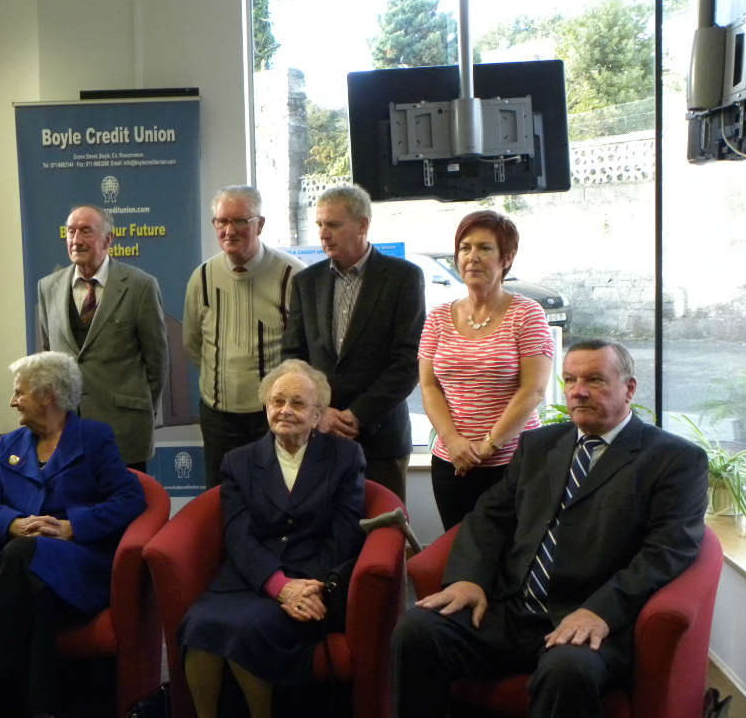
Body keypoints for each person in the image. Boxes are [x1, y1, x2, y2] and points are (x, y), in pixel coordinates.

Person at [392, 340, 708, 718]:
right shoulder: (539, 444)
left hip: (589, 615)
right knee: (416, 632)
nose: (579, 391)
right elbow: (489, 517)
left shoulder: (674, 459)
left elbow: (667, 551)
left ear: (630, 388)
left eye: (595, 379)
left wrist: (602, 611)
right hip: (510, 608)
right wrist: (468, 578)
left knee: (567, 672)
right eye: (570, 379)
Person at [0, 351, 145, 718]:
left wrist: (71, 526)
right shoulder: (11, 445)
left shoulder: (94, 438)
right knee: (36, 590)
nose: (12, 400)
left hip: (78, 562)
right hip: (24, 569)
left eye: (20, 392)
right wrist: (14, 523)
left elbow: (130, 498)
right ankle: (41, 709)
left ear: (48, 395)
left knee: (23, 555)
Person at [178, 359, 365, 718]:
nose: (285, 410)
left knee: (249, 631)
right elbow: (239, 536)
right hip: (251, 578)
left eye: (297, 403)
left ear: (317, 416)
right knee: (200, 625)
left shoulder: (344, 457)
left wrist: (308, 587)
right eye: (277, 401)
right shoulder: (239, 462)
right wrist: (278, 585)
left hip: (312, 581)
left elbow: (345, 536)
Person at [282, 184, 424, 503]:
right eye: (319, 224)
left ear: (362, 225)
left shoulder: (403, 278)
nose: (323, 234)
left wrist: (356, 415)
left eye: (333, 224)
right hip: (319, 436)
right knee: (325, 538)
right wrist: (321, 413)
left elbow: (407, 361)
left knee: (382, 536)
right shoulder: (306, 282)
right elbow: (293, 357)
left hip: (380, 438)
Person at [419, 210, 553, 529]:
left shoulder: (527, 314)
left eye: (484, 248)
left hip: (513, 462)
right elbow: (429, 386)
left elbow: (533, 390)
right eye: (465, 248)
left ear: (506, 257)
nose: (472, 257)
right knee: (458, 553)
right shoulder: (437, 317)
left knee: (512, 557)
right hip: (452, 463)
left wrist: (487, 446)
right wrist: (452, 441)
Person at [183, 185, 305, 487]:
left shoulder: (293, 276)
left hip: (275, 416)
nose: (229, 230)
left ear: (259, 224)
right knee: (223, 498)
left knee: (278, 496)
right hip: (218, 416)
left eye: (239, 221)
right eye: (221, 222)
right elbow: (193, 343)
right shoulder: (202, 277)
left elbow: (305, 351)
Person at [37, 204, 168, 470]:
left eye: (86, 231)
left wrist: (140, 409)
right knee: (72, 508)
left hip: (123, 428)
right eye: (70, 231)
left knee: (126, 507)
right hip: (67, 427)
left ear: (108, 239)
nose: (76, 240)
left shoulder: (140, 286)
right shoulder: (47, 287)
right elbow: (49, 355)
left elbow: (156, 360)